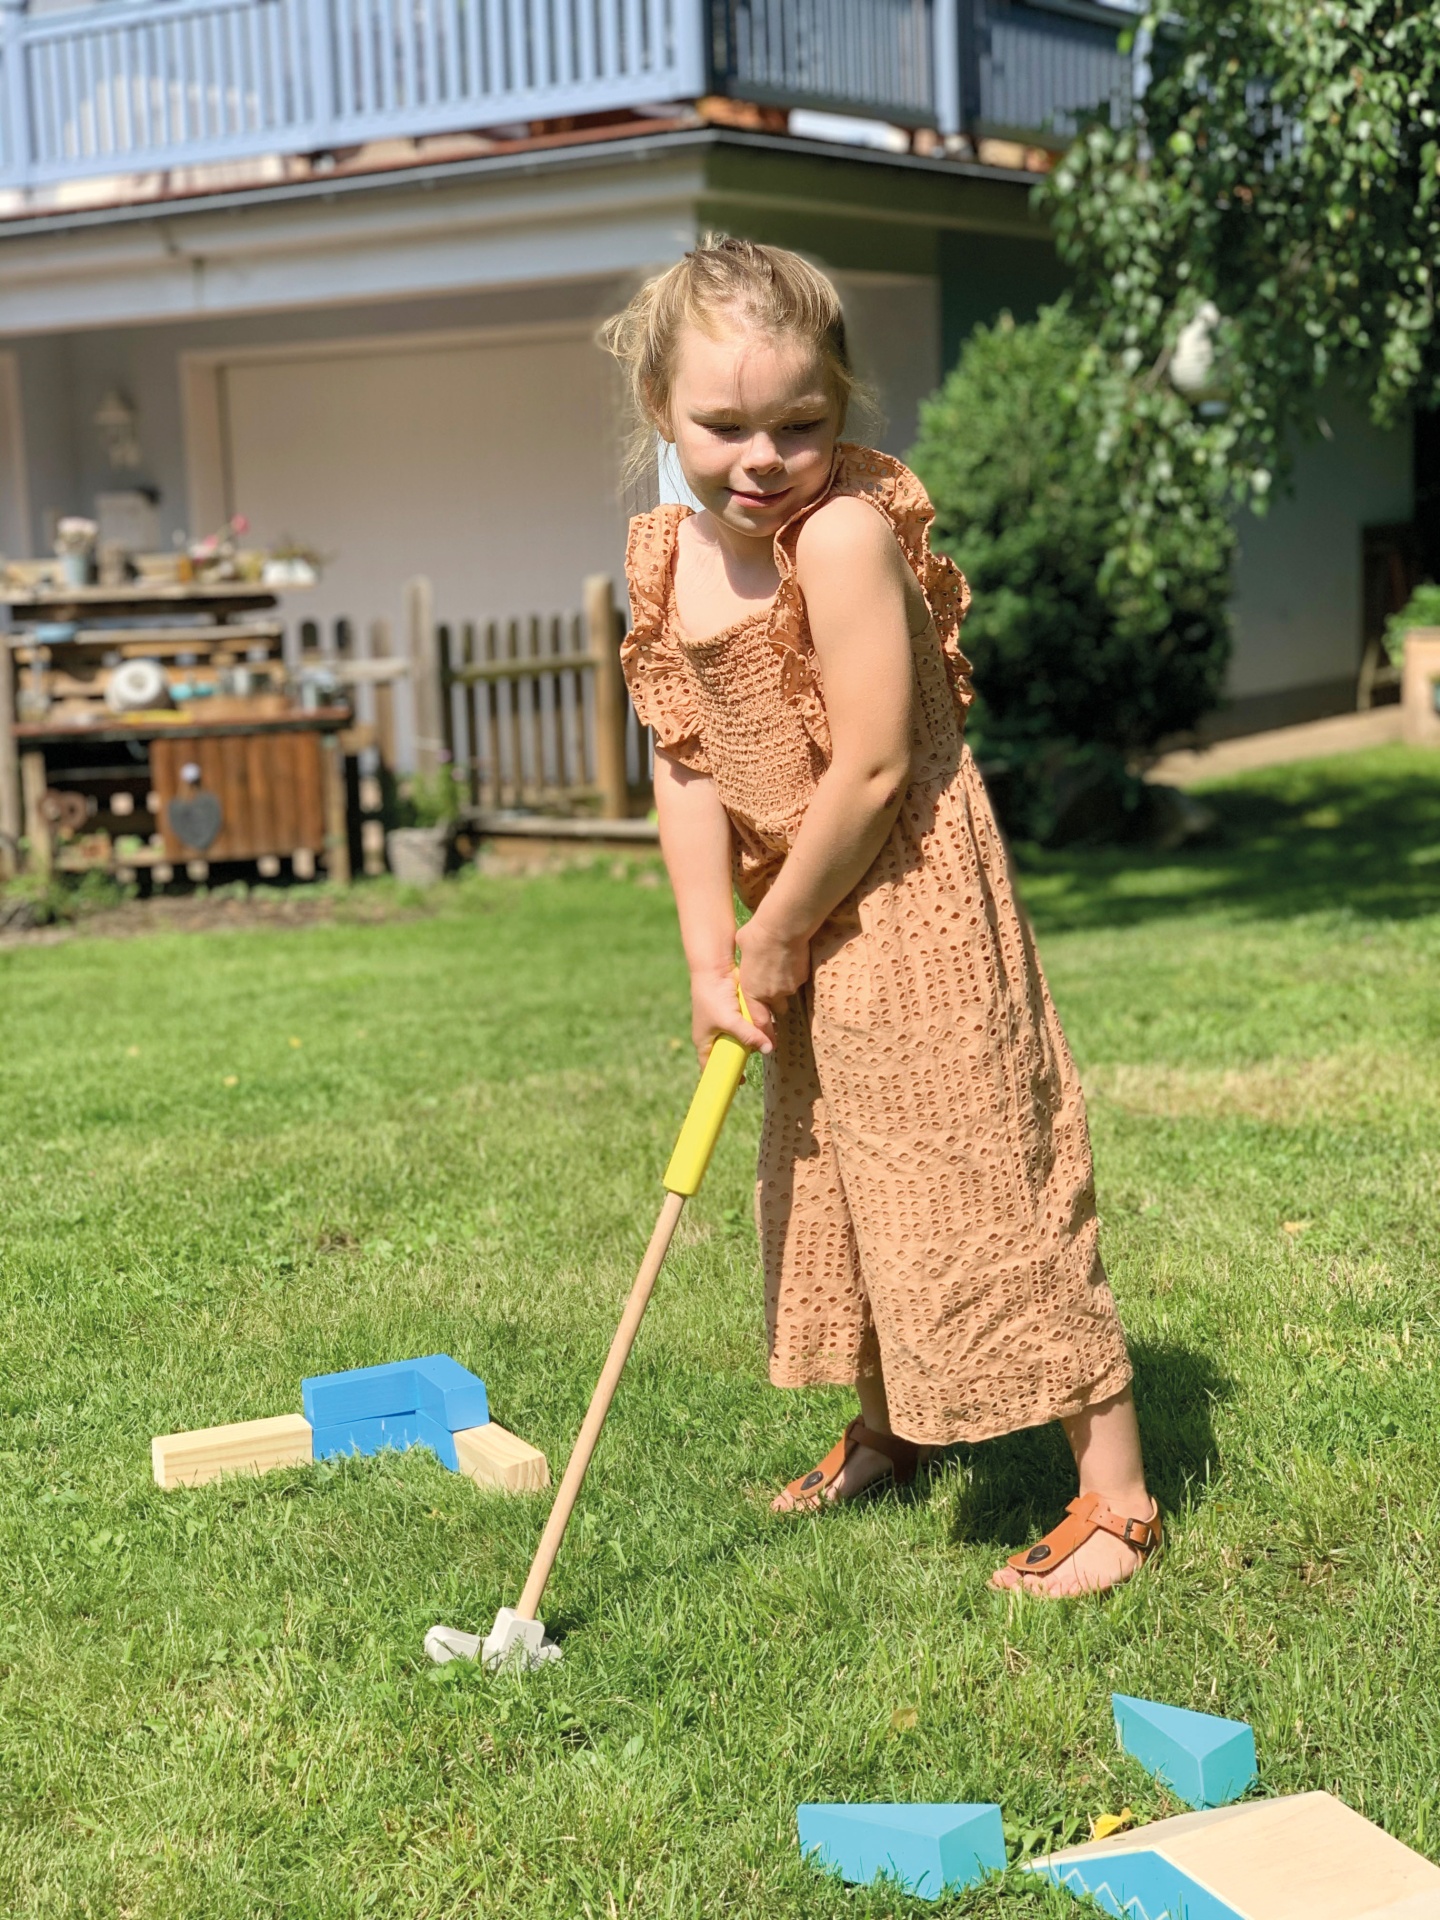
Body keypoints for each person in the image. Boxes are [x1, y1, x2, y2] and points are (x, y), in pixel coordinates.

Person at [602, 237, 1160, 1597]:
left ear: (841, 406)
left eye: (802, 422)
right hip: (792, 907)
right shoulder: (667, 559)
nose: (764, 456)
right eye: (722, 425)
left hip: (902, 896)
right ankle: (892, 1427)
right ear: (658, 415)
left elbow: (870, 766)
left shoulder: (842, 536)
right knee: (838, 1178)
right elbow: (682, 762)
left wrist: (776, 929)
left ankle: (1119, 1495)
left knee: (975, 1171)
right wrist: (707, 955)